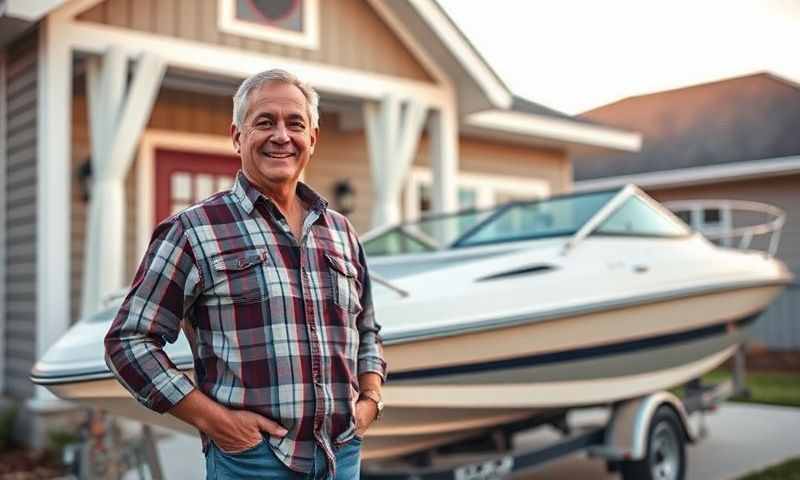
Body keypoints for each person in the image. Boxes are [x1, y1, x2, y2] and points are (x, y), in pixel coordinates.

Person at [104, 68, 387, 480]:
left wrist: (371, 401)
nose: (281, 136)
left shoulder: (342, 232)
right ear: (237, 137)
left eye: (295, 124)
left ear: (313, 139)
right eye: (265, 122)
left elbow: (368, 330)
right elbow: (128, 341)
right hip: (253, 462)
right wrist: (215, 421)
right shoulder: (193, 230)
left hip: (340, 455)